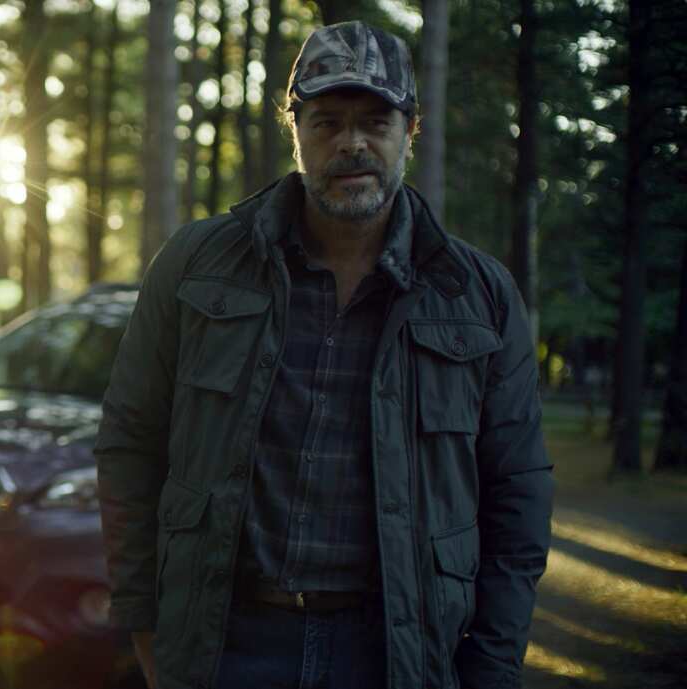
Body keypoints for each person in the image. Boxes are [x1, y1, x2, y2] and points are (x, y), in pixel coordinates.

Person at [95, 21, 553, 689]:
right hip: (226, 645)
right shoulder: (198, 264)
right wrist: (143, 623)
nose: (352, 143)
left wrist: (491, 667)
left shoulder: (478, 296)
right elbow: (130, 443)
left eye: (375, 121)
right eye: (327, 122)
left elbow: (519, 494)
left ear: (410, 129)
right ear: (296, 131)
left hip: (392, 653)